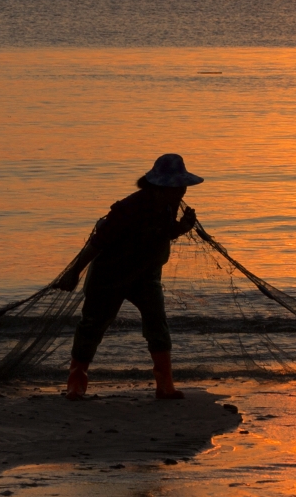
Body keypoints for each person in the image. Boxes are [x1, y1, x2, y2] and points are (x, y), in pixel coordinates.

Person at [53, 153, 203, 399]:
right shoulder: (127, 209)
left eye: (182, 186)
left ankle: (165, 385)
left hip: (145, 276)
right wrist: (73, 272)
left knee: (157, 324)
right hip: (109, 275)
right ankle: (76, 384)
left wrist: (183, 227)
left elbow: (162, 233)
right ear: (157, 185)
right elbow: (96, 244)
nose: (181, 191)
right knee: (92, 326)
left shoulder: (170, 202)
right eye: (175, 186)